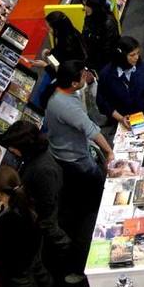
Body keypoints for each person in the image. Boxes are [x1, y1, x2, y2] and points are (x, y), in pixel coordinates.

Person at [45, 61, 113, 275]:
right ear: (73, 82)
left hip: (71, 154)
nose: (86, 77)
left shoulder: (62, 91)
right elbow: (90, 129)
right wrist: (110, 152)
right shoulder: (65, 106)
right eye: (82, 76)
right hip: (76, 162)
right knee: (96, 203)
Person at [0, 121, 77, 281]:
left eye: (13, 147)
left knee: (57, 237)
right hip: (53, 205)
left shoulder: (41, 169)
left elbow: (47, 203)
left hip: (50, 214)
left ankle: (74, 266)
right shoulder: (39, 155)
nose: (11, 150)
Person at [96, 35, 144, 126]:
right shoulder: (106, 74)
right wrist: (120, 118)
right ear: (121, 56)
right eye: (132, 55)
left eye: (138, 53)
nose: (137, 57)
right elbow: (102, 101)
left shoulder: (143, 67)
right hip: (122, 121)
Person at [81, 0, 119, 72]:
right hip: (93, 57)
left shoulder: (109, 23)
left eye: (86, 5)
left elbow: (108, 49)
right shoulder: (90, 16)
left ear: (94, 6)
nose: (84, 8)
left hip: (104, 63)